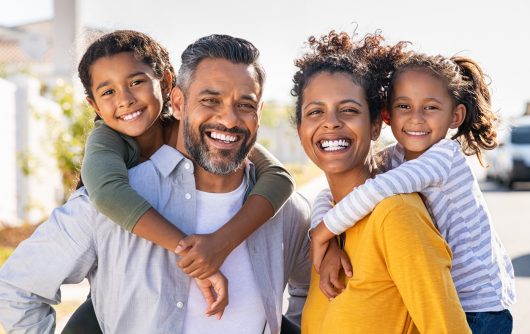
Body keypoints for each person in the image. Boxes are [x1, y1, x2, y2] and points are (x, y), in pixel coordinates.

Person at [0, 34, 310, 334]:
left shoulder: (285, 212)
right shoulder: (103, 203)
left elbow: (316, 291)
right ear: (177, 101)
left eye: (245, 104)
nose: (229, 120)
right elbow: (17, 290)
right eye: (209, 100)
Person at [309, 46, 515, 333]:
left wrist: (321, 233)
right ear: (387, 114)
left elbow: (374, 191)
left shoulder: (444, 157)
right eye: (404, 106)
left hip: (479, 308)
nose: (416, 118)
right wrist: (325, 238)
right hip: (447, 297)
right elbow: (328, 196)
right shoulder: (395, 158)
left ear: (455, 116)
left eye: (430, 107)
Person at [293, 30, 471, 333]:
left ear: (376, 124)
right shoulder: (326, 226)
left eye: (349, 110)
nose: (331, 122)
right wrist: (325, 235)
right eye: (315, 111)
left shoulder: (395, 214)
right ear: (300, 130)